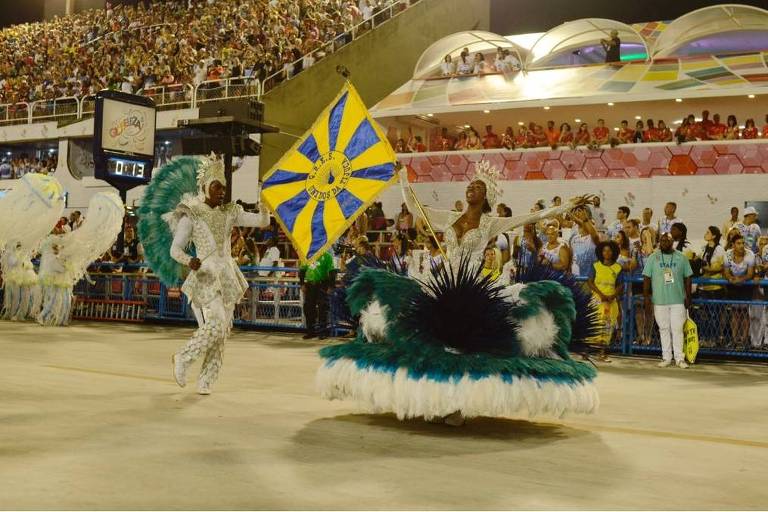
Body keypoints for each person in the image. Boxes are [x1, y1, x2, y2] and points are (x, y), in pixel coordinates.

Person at [168, 155, 271, 395]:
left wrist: (264, 201)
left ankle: (206, 380)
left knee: (223, 329)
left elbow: (263, 222)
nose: (221, 192)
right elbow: (175, 249)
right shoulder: (191, 214)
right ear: (204, 187)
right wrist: (188, 260)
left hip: (226, 274)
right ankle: (183, 357)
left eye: (224, 187)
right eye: (216, 187)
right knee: (216, 322)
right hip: (205, 274)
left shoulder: (230, 212)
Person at [399, 161, 595, 271]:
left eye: (477, 186)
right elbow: (413, 207)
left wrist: (568, 205)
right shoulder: (450, 217)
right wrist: (403, 177)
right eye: (470, 184)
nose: (471, 187)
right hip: (447, 277)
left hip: (472, 281)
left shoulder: (491, 223)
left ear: (485, 196)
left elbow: (532, 217)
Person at [643, 232, 693, 368]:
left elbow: (688, 278)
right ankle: (666, 357)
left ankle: (679, 358)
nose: (664, 243)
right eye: (662, 240)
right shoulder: (653, 257)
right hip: (659, 300)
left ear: (672, 242)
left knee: (677, 329)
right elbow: (646, 277)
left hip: (677, 300)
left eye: (667, 240)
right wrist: (646, 297)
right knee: (663, 328)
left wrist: (688, 296)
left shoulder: (681, 257)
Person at [588, 240, 623, 362]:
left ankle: (602, 353)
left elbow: (620, 285)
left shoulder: (618, 268)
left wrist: (613, 295)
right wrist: (600, 294)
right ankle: (590, 352)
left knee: (607, 327)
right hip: (597, 300)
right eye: (604, 250)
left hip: (610, 300)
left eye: (609, 250)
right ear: (601, 252)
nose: (606, 253)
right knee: (595, 325)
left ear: (613, 252)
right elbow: (590, 282)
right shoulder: (595, 265)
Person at [299, 251, 337, 340]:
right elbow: (302, 270)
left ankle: (322, 332)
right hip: (310, 285)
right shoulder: (307, 255)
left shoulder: (328, 256)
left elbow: (332, 272)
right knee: (308, 308)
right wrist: (302, 284)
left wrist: (331, 286)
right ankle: (311, 331)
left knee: (323, 308)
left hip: (322, 285)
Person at [568, 206, 601, 278]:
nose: (578, 214)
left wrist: (585, 220)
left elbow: (594, 235)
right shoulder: (573, 238)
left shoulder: (593, 236)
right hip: (575, 276)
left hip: (590, 278)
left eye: (581, 212)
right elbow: (571, 256)